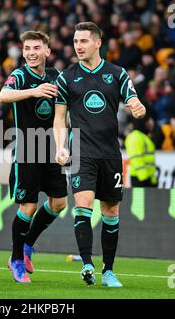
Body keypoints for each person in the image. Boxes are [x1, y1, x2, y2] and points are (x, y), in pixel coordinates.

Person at [54, 22, 146, 287]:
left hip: (110, 152)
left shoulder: (116, 73)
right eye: (75, 41)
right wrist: (60, 145)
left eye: (83, 41)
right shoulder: (66, 77)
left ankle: (108, 271)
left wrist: (137, 106)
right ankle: (86, 264)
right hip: (81, 150)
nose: (78, 46)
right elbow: (60, 119)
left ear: (97, 43)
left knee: (111, 210)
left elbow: (133, 98)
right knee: (82, 206)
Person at [0, 31, 67, 283]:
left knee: (59, 203)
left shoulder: (56, 76)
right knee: (28, 206)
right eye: (27, 48)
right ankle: (16, 259)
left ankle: (27, 246)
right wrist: (33, 91)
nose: (31, 52)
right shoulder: (19, 76)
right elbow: (3, 96)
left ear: (47, 51)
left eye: (36, 47)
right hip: (27, 148)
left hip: (51, 148)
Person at [125, 117, 157, 187]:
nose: (150, 123)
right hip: (140, 178)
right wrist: (144, 177)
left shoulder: (142, 136)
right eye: (148, 121)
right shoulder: (135, 137)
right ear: (143, 123)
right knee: (139, 198)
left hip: (147, 177)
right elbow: (135, 158)